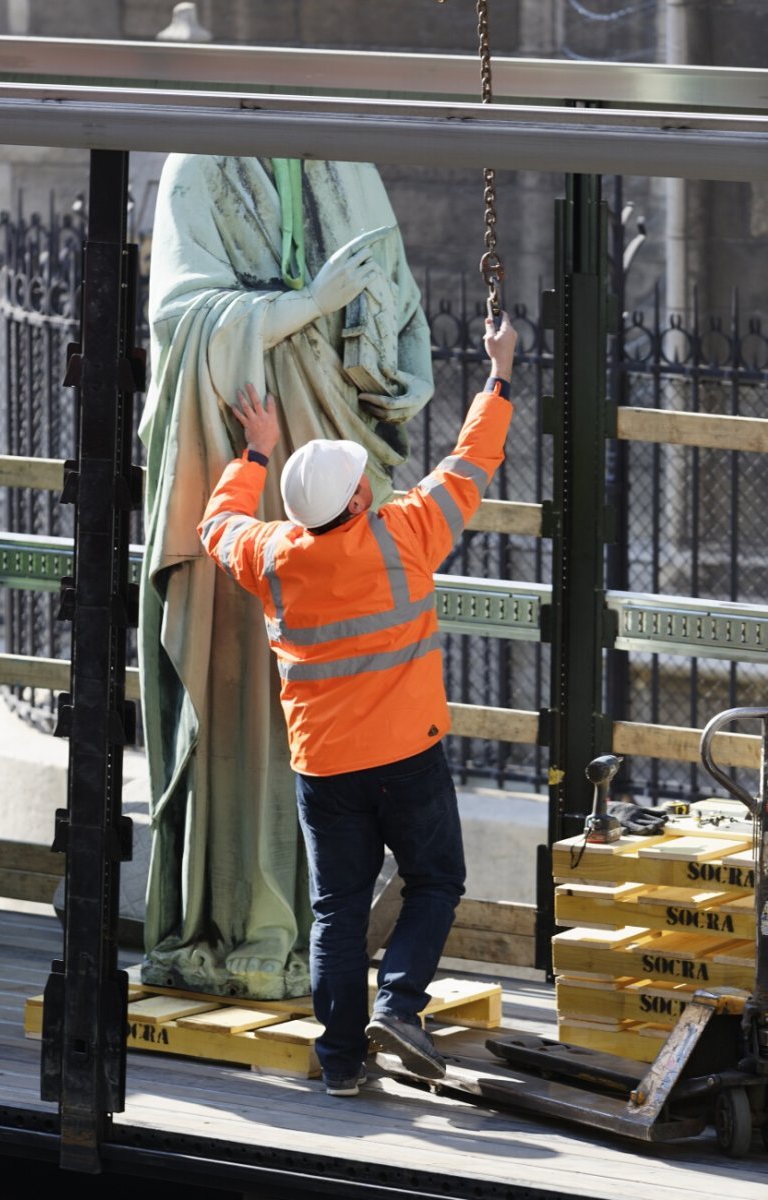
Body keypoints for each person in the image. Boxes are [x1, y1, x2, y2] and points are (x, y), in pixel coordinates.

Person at [197, 309, 518, 1094]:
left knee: (337, 909)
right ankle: (400, 1007)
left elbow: (216, 525)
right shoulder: (404, 532)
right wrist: (500, 372)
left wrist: (254, 451)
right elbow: (471, 461)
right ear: (354, 500)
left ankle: (340, 1064)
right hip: (407, 754)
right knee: (435, 880)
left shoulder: (274, 558)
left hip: (324, 768)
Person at [138, 156, 433, 1000]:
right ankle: (254, 920)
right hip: (371, 713)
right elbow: (181, 318)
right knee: (243, 710)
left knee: (300, 754)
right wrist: (309, 305)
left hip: (277, 451)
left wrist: (359, 327)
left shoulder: (348, 162)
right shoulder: (199, 162)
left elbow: (396, 330)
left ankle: (320, 978)